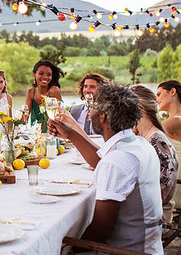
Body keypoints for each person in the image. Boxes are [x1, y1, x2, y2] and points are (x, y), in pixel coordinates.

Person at [48, 84, 163, 254]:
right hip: (150, 246)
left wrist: (68, 249)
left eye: (93, 107)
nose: (89, 111)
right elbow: (101, 160)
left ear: (102, 116)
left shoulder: (117, 160)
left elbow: (99, 231)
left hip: (126, 251)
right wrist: (70, 134)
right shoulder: (138, 144)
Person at [131, 85, 178, 224]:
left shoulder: (157, 141)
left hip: (156, 216)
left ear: (139, 106)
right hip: (145, 208)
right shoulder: (141, 135)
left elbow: (163, 191)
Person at [157, 80, 181, 210]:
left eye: (159, 94)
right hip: (174, 179)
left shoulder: (177, 121)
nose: (157, 99)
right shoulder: (178, 119)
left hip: (177, 186)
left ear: (173, 92)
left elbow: (147, 135)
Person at [25, 60, 64, 127]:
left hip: (53, 132)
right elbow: (25, 119)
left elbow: (59, 117)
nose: (45, 77)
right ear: (34, 74)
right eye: (41, 73)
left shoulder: (54, 90)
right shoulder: (31, 93)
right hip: (35, 132)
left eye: (49, 74)